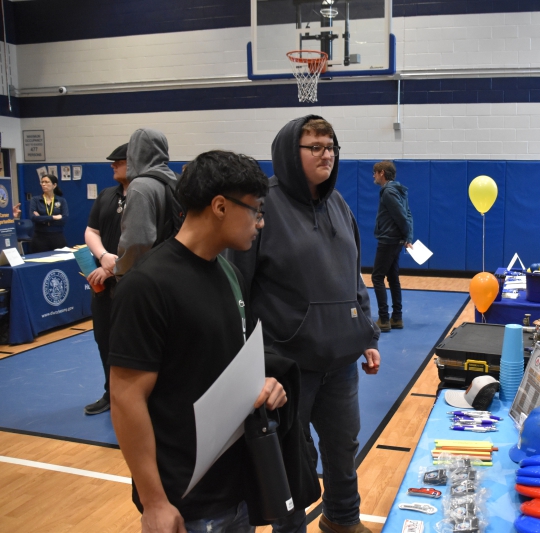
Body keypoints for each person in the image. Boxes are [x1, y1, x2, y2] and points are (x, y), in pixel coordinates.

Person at [109, 150, 288, 533]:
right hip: (185, 501)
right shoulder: (148, 286)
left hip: (237, 486)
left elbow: (225, 366)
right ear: (220, 206)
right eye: (255, 209)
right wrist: (155, 501)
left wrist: (265, 386)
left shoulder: (228, 272)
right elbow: (126, 398)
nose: (259, 223)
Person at [228, 115, 380, 533]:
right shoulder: (262, 205)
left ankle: (342, 520)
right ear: (290, 153)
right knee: (292, 461)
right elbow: (235, 287)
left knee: (342, 447)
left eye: (330, 146)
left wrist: (366, 332)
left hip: (341, 362)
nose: (325, 154)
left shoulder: (340, 205)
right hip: (287, 366)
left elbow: (353, 275)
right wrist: (248, 360)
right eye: (314, 146)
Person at [83, 143, 129, 416]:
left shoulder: (145, 195)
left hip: (132, 284)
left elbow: (147, 242)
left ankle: (135, 396)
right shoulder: (106, 195)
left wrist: (115, 267)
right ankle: (111, 392)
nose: (112, 165)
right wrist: (103, 257)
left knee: (132, 342)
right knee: (104, 338)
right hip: (104, 286)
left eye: (118, 161)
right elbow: (91, 231)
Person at [115, 128, 178, 277]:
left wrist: (120, 274)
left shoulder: (140, 186)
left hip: (150, 277)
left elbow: (136, 243)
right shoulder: (177, 180)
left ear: (133, 152)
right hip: (177, 270)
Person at [371, 160, 414, 332]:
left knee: (377, 277)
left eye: (375, 172)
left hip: (388, 240)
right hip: (396, 240)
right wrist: (407, 236)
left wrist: (407, 236)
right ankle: (396, 317)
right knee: (393, 277)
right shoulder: (399, 190)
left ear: (382, 173)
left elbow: (402, 217)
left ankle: (384, 319)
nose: (373, 176)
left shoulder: (388, 192)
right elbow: (408, 214)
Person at [29, 173, 69, 252]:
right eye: (42, 182)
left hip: (57, 236)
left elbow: (64, 219)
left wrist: (42, 218)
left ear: (54, 185)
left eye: (47, 182)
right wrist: (53, 217)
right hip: (40, 237)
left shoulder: (61, 200)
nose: (43, 184)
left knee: (60, 262)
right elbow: (33, 218)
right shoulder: (35, 200)